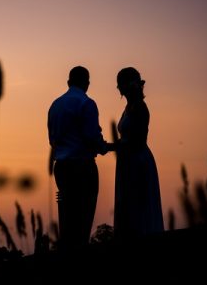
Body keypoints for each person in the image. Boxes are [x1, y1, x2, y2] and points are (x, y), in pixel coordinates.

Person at [47, 66, 111, 253]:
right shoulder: (87, 103)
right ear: (87, 83)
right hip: (82, 168)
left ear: (68, 82)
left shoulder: (55, 105)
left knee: (66, 218)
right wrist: (103, 147)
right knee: (83, 220)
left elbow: (52, 140)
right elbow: (92, 136)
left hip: (61, 168)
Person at [113, 67, 164, 240]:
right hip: (127, 160)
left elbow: (138, 141)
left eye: (119, 84)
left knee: (138, 203)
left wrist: (113, 147)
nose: (117, 88)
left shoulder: (140, 108)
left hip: (137, 161)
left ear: (125, 86)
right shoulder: (129, 107)